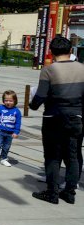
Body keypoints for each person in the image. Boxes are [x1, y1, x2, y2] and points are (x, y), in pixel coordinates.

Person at [30, 36, 84, 204]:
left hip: (54, 118)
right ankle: (69, 192)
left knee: (53, 156)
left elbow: (40, 96)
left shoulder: (49, 70)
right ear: (70, 51)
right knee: (73, 157)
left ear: (51, 52)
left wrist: (32, 105)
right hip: (76, 118)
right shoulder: (82, 68)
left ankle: (52, 193)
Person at [0, 90, 22, 168]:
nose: (8, 102)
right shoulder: (0, 108)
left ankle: (3, 158)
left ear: (15, 101)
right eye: (6, 100)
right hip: (0, 130)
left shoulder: (17, 111)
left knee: (6, 147)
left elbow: (18, 123)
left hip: (10, 133)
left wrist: (16, 132)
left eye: (10, 101)